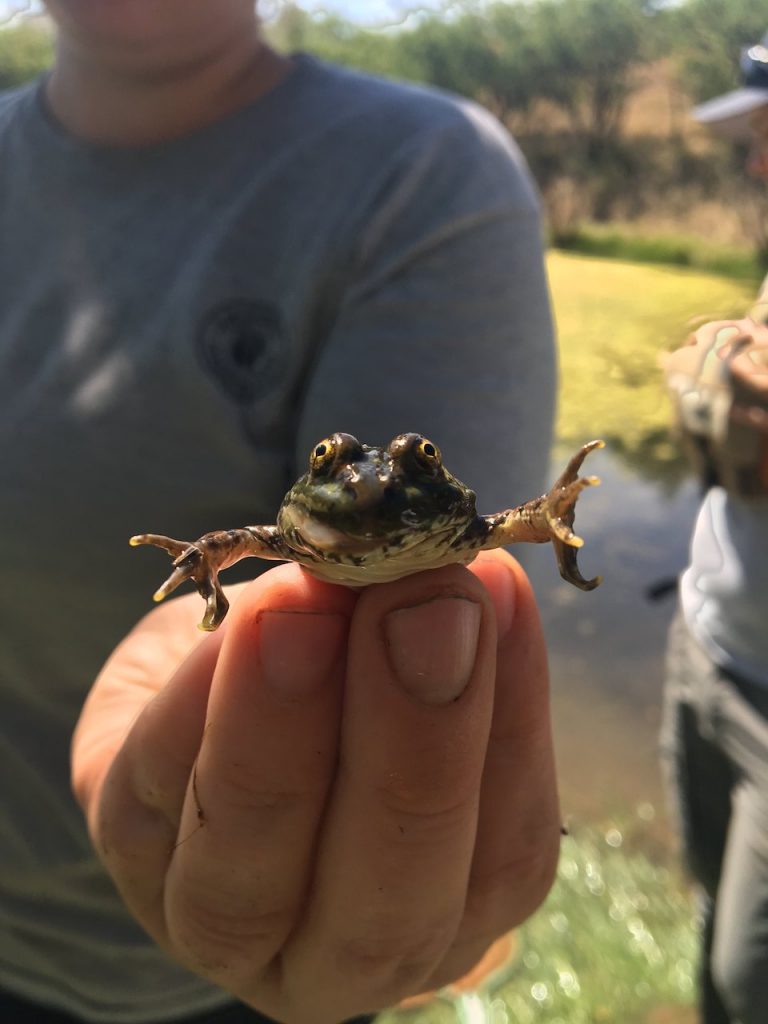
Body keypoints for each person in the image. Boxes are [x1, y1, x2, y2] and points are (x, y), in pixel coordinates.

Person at [0, 3, 563, 1022]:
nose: (366, 480)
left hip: (202, 974)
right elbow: (262, 537)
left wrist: (545, 522)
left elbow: (462, 590)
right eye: (337, 467)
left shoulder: (421, 171)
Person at [661, 33, 768, 1024]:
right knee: (703, 885)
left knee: (750, 979)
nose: (755, 159)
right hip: (706, 636)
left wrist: (715, 379)